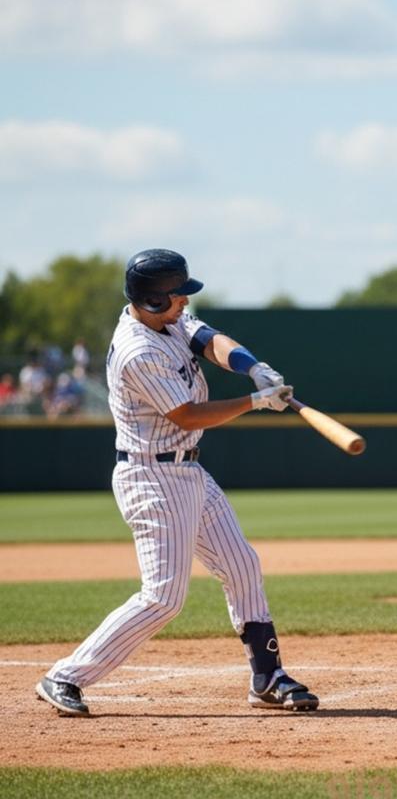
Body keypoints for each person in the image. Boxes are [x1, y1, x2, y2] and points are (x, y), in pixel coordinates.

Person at [36, 248, 318, 717]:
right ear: (149, 302)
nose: (184, 303)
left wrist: (252, 366)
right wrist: (254, 401)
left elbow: (207, 338)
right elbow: (185, 414)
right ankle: (66, 675)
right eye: (176, 296)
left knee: (242, 565)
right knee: (164, 596)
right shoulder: (138, 350)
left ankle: (267, 677)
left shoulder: (164, 319)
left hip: (187, 470)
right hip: (151, 475)